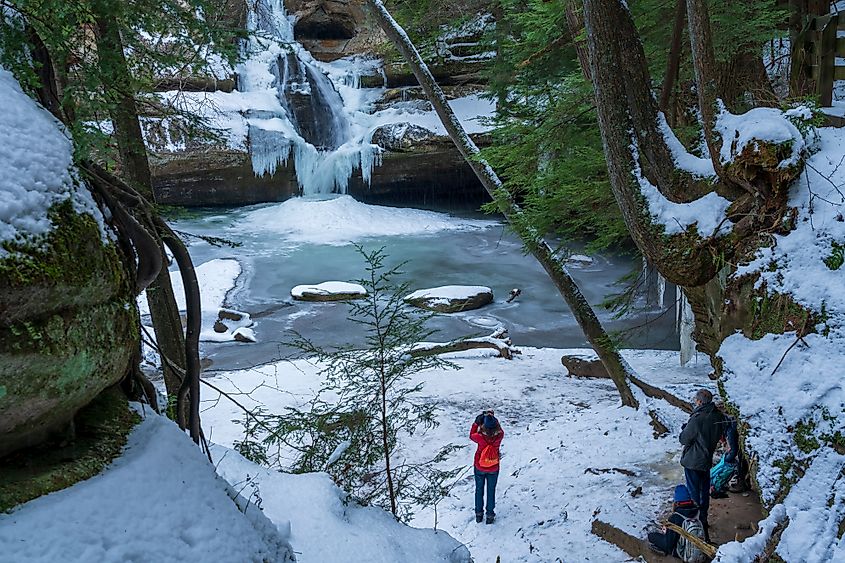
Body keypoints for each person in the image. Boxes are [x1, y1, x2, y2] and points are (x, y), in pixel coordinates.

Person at [679, 389, 726, 543]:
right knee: (704, 492)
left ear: (699, 401)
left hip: (693, 462)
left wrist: (685, 429)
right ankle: (703, 521)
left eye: (696, 400)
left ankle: (695, 528)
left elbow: (684, 439)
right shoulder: (718, 416)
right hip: (706, 461)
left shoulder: (697, 418)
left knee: (694, 495)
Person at [470, 410, 504, 524]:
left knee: (479, 490)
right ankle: (490, 515)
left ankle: (478, 514)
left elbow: (471, 435)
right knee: (491, 490)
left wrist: (476, 422)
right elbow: (499, 427)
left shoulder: (479, 437)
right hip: (493, 467)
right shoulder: (499, 436)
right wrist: (492, 417)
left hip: (479, 466)